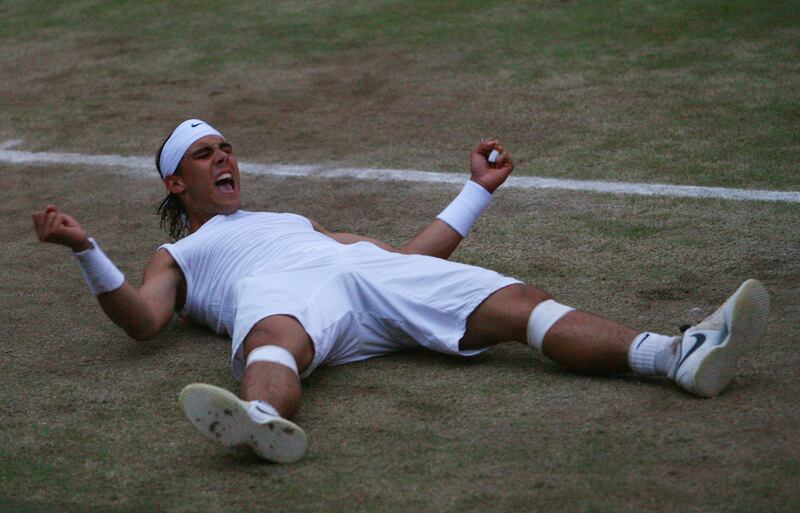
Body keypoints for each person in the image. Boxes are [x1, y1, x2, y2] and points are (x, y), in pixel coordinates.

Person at [32, 119, 770, 464]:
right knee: (274, 339)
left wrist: (474, 194)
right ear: (176, 181)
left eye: (225, 145)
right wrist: (86, 249)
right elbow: (141, 319)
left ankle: (673, 353)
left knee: (516, 302)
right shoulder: (179, 251)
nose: (224, 156)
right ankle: (259, 418)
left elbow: (404, 260)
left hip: (361, 276)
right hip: (279, 293)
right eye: (204, 152)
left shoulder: (291, 218)